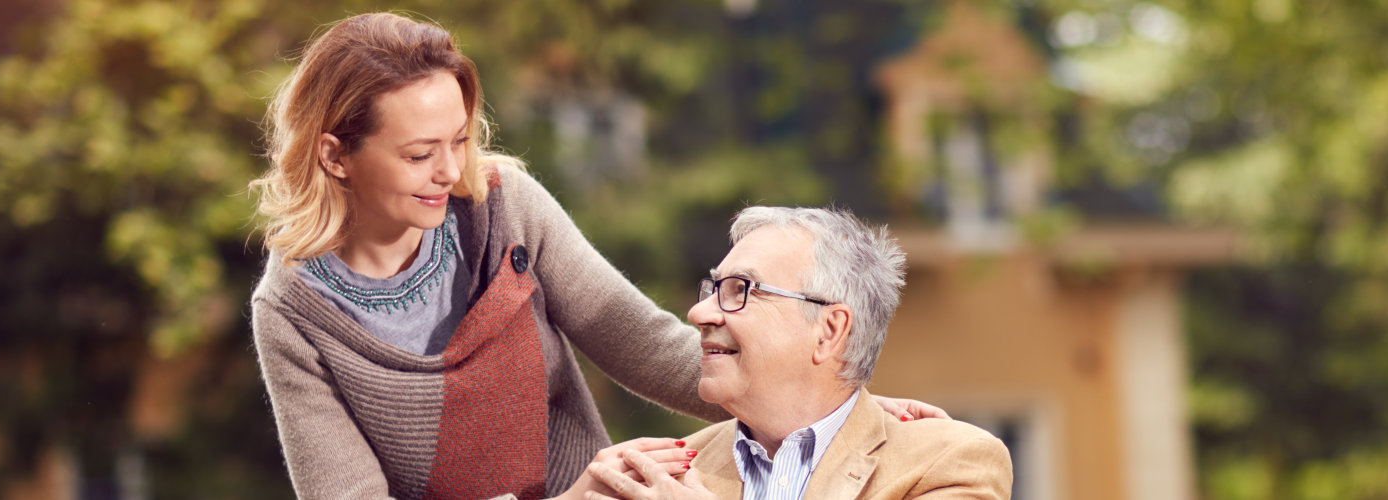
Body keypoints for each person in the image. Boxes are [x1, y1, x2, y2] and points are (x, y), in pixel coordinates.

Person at [245, 13, 946, 500]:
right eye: (419, 153)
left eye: (459, 139)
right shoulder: (294, 313)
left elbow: (641, 341)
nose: (449, 169)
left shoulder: (504, 206)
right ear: (336, 155)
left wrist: (837, 408)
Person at [580, 207, 1012, 500]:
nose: (698, 312)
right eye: (713, 289)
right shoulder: (659, 474)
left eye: (740, 290)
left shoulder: (947, 461)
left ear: (828, 330)